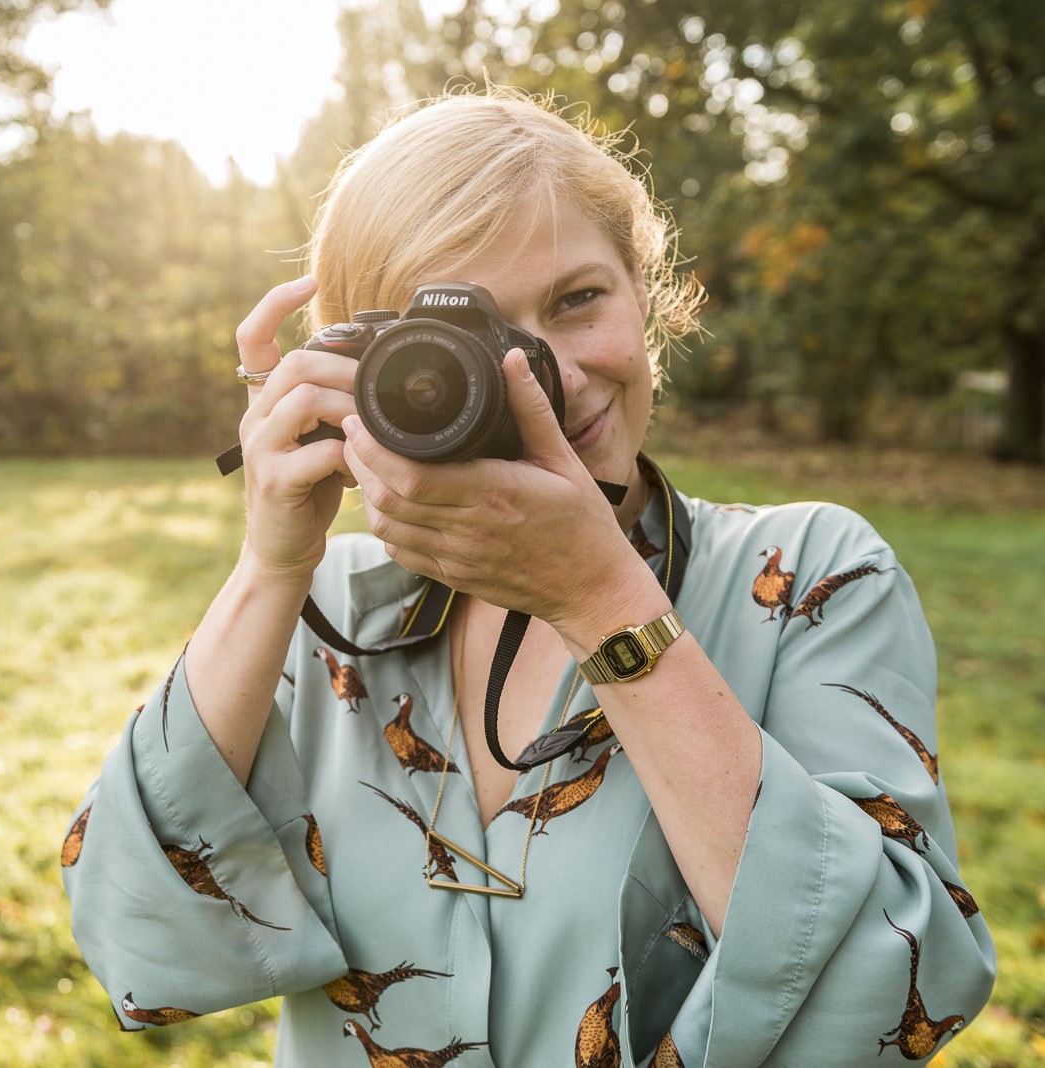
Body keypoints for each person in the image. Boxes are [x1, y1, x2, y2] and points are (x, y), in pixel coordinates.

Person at [60, 86, 995, 1066]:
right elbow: (135, 943)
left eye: (577, 300)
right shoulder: (325, 604)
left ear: (644, 294)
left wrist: (600, 601)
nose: (542, 375)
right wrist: (268, 567)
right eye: (471, 339)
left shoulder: (811, 577)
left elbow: (898, 998)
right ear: (367, 373)